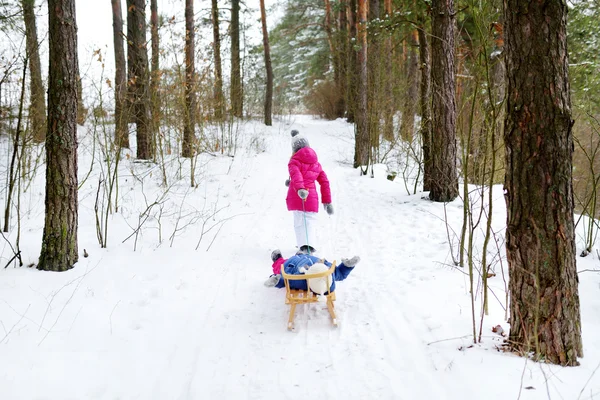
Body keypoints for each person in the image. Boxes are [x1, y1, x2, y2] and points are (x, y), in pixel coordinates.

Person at [285, 129, 334, 254]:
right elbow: (324, 181)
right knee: (310, 222)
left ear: (294, 148)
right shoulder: (316, 163)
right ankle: (308, 247)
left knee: (299, 222)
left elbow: (297, 176)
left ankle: (304, 248)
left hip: (298, 195)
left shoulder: (294, 161)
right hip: (311, 198)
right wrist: (327, 202)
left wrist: (300, 189)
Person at [264, 249, 360, 292]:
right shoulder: (330, 275)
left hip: (293, 263)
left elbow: (287, 280)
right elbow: (341, 273)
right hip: (308, 258)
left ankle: (278, 259)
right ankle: (300, 253)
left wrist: (276, 280)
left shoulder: (301, 280)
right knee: (300, 256)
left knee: (280, 266)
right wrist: (347, 266)